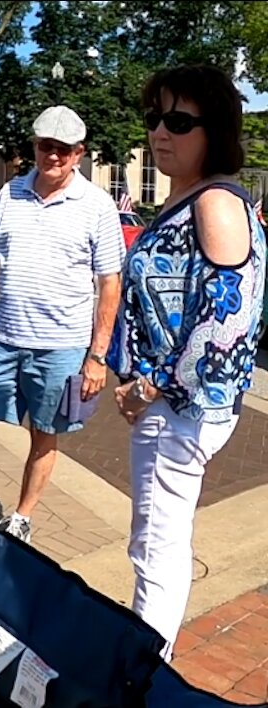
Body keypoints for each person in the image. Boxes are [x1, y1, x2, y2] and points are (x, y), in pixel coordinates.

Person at [106, 64, 266, 660]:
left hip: (177, 410)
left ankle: (144, 675)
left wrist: (148, 387)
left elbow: (227, 321)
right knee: (157, 542)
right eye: (154, 118)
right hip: (174, 406)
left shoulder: (216, 203)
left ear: (215, 128)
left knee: (156, 549)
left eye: (178, 120)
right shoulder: (191, 197)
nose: (159, 132)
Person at [0, 105, 125, 542]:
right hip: (3, 340)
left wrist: (97, 357)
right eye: (47, 146)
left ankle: (22, 516)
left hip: (61, 347)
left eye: (64, 149)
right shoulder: (10, 195)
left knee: (45, 435)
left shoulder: (98, 206)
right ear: (35, 147)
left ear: (79, 154)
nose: (54, 156)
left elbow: (109, 285)